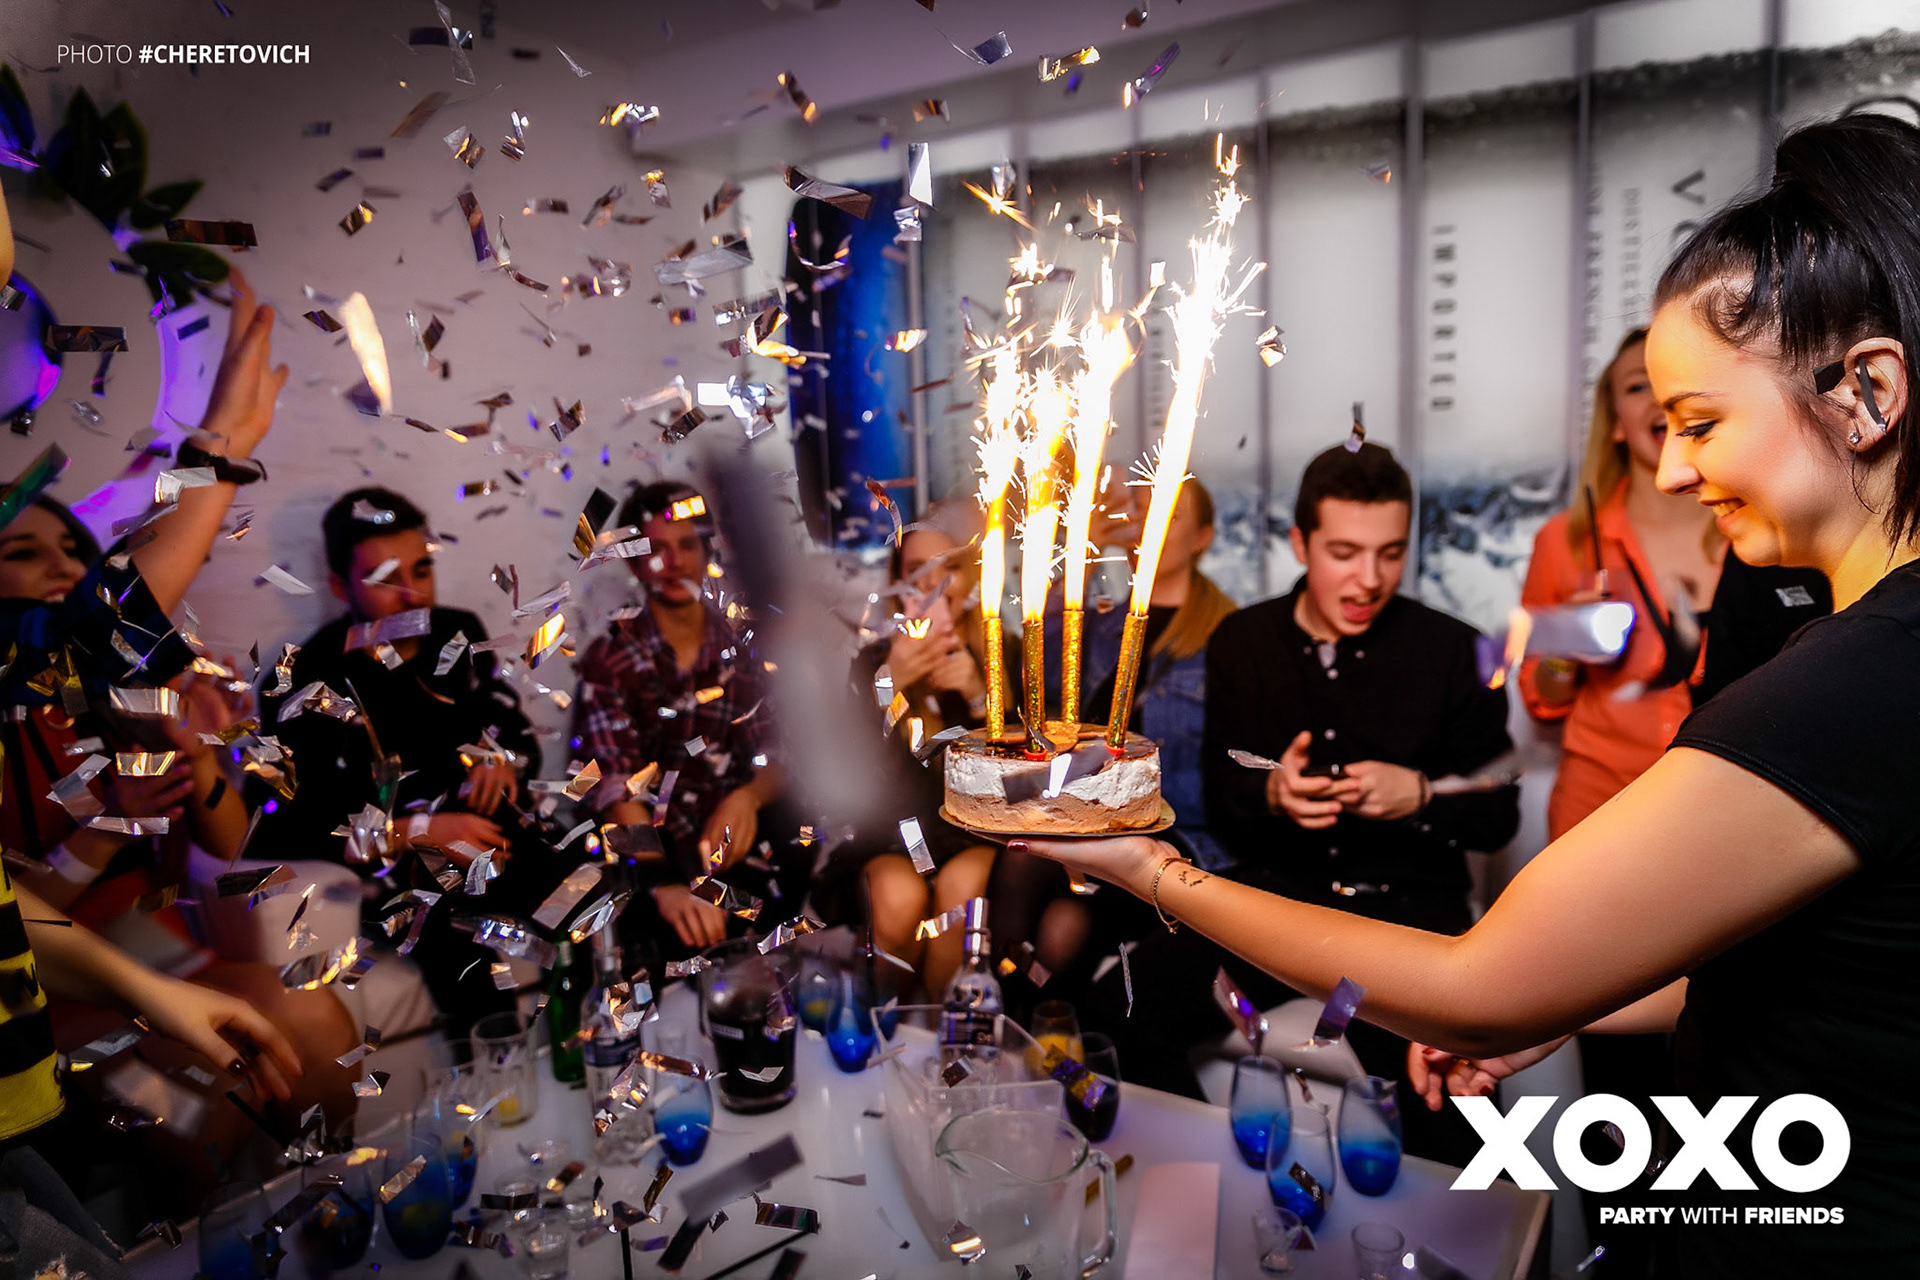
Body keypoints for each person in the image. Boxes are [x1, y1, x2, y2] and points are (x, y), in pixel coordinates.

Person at [1026, 113, 1920, 1274]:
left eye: (1701, 422)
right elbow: (1796, 972)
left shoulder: (1855, 683)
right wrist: (1570, 1000)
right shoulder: (1864, 654)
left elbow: (1472, 983)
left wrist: (1152, 870)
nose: (1669, 467)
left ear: (1867, 392)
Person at [1078, 444, 1520, 1165]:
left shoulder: (1453, 650)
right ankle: (1207, 1182)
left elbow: (1500, 812)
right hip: (1279, 906)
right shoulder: (1244, 641)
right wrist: (1273, 793)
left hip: (1410, 922)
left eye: (1390, 554)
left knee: (1457, 1116)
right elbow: (1222, 798)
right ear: (1300, 544)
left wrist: (1422, 794)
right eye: (1344, 553)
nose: (1369, 579)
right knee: (1118, 1013)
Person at [1, 258, 314, 1227]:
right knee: (184, 1114)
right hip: (56, 983)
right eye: (23, 553)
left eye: (73, 553)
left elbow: (223, 835)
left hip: (138, 942)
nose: (66, 573)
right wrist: (103, 827)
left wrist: (218, 443)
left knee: (311, 1024)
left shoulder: (96, 674)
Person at [257, 486, 544, 1041]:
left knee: (600, 900)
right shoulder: (303, 681)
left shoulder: (457, 631)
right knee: (470, 963)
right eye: (386, 579)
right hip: (401, 879)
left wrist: (501, 757)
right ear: (340, 586)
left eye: (421, 570)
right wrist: (418, 830)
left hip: (496, 841)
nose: (413, 595)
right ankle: (494, 1075)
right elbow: (296, 825)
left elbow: (511, 725)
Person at [987, 479, 1238, 1015]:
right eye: (1140, 511)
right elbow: (1041, 677)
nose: (1148, 525)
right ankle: (1034, 1037)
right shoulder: (1103, 624)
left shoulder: (1229, 635)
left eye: (1168, 514)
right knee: (1057, 920)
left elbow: (1225, 776)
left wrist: (1121, 792)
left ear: (1203, 536)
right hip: (1087, 821)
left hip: (1172, 834)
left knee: (1027, 870)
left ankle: (1014, 1032)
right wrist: (1081, 553)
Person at [572, 481, 797, 962]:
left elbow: (780, 757)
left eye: (687, 545)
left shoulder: (740, 646)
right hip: (650, 860)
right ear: (634, 562)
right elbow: (614, 788)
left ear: (707, 552)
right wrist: (665, 884)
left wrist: (748, 797)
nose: (673, 562)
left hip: (737, 847)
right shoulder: (610, 660)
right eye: (656, 549)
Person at [817, 501, 998, 998]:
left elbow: (1021, 780)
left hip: (976, 834)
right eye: (917, 571)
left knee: (961, 898)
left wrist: (979, 699)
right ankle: (890, 1028)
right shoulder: (873, 660)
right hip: (892, 836)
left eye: (947, 568)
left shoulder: (1000, 650)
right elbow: (852, 778)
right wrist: (888, 686)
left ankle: (943, 1032)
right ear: (898, 583)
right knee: (897, 899)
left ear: (970, 578)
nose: (932, 585)